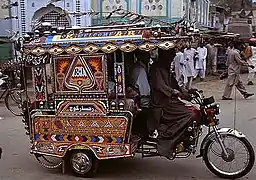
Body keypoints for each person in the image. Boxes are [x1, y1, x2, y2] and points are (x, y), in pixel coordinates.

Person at [148, 49, 196, 159]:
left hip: (170, 100)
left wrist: (187, 91)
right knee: (190, 114)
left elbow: (175, 84)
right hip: (162, 102)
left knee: (192, 109)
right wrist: (175, 92)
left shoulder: (166, 67)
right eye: (171, 55)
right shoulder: (156, 68)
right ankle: (168, 136)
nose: (172, 58)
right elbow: (160, 86)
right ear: (165, 55)